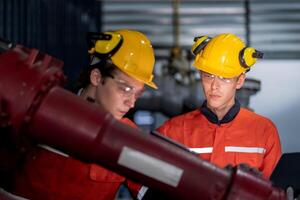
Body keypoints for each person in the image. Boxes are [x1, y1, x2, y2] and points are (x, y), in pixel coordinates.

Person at [12, 29, 157, 200]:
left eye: (137, 94)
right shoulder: (45, 113)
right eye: (125, 89)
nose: (131, 103)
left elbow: (152, 192)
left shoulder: (128, 137)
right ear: (96, 77)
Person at [156, 33, 282, 179]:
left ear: (240, 81)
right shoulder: (171, 132)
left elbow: (273, 192)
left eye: (224, 78)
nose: (214, 86)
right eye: (208, 76)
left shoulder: (264, 132)